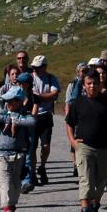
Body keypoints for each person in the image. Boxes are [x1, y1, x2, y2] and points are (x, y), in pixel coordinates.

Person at [65, 70, 107, 212]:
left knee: (101, 181)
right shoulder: (78, 103)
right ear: (84, 85)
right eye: (89, 83)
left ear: (100, 83)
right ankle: (85, 211)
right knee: (86, 180)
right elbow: (69, 123)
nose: (92, 86)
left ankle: (95, 207)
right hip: (84, 147)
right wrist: (73, 142)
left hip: (105, 147)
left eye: (95, 83)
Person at [0, 85, 36, 212]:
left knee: (15, 185)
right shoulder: (3, 114)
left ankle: (11, 207)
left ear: (20, 101)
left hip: (19, 155)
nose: (8, 103)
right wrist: (8, 121)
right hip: (3, 155)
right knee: (6, 185)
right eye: (7, 100)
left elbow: (32, 122)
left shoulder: (24, 115)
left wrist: (16, 121)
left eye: (12, 100)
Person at [30, 55, 60, 186]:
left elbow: (54, 94)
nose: (35, 69)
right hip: (32, 115)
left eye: (38, 67)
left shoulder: (51, 78)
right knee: (32, 147)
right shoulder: (30, 78)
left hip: (46, 116)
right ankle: (32, 171)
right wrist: (44, 97)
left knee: (45, 145)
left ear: (44, 67)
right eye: (34, 67)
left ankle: (42, 166)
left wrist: (39, 96)